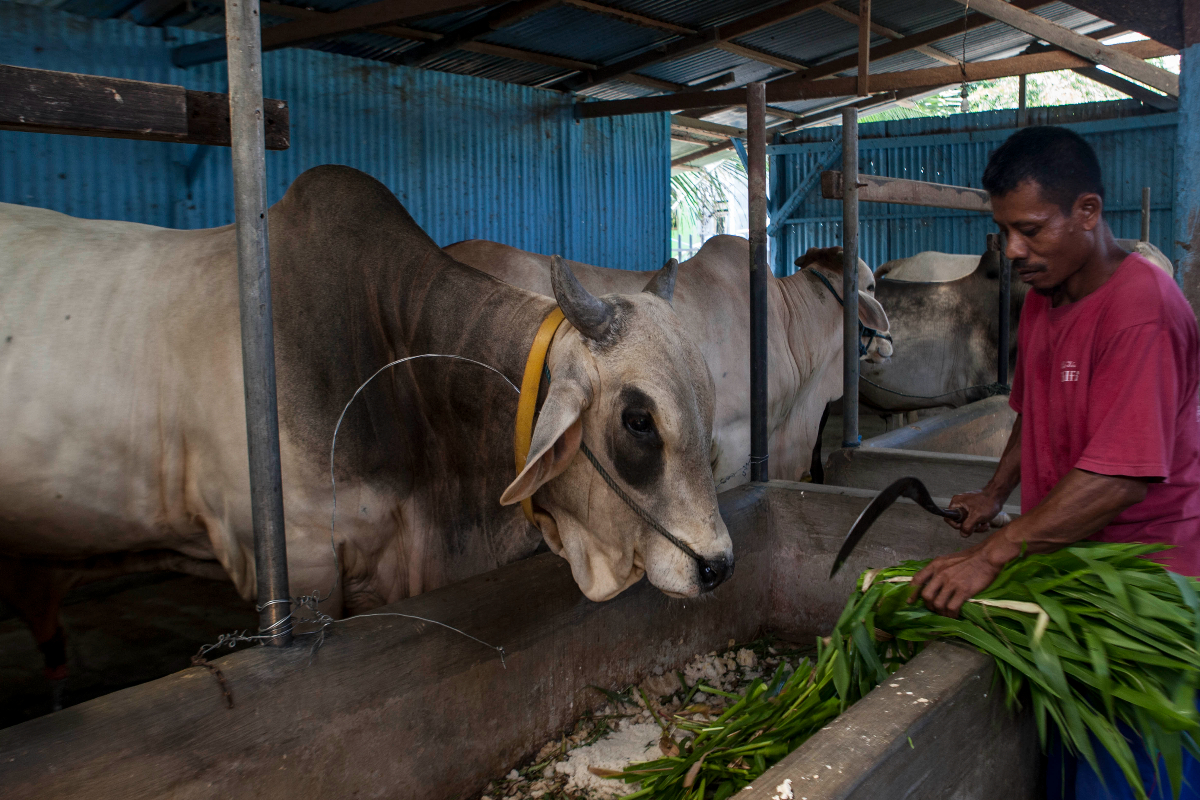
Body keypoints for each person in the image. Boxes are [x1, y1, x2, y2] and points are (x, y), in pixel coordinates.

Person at [907, 126, 1200, 799]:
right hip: (1071, 567)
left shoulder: (1141, 310)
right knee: (1073, 762)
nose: (1013, 250)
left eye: (1032, 230)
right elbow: (1032, 408)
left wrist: (993, 553)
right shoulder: (1045, 298)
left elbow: (1122, 475)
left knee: (1136, 771)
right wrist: (994, 491)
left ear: (1088, 213)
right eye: (1005, 230)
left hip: (1145, 581)